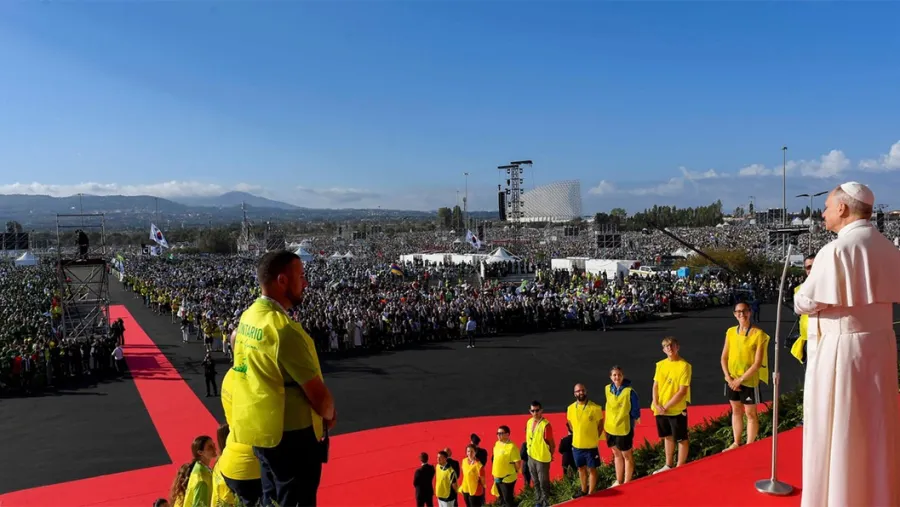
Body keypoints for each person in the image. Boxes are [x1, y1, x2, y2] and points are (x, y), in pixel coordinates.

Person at [795, 182, 900, 507]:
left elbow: (808, 300)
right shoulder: (887, 247)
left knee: (842, 428)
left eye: (826, 206)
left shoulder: (836, 250)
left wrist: (800, 297)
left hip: (844, 351)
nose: (823, 212)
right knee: (876, 426)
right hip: (880, 347)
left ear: (842, 208)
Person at [230, 250, 336, 507]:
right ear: (282, 281)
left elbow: (235, 346)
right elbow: (320, 399)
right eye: (300, 276)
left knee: (272, 499)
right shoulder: (284, 331)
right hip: (294, 440)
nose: (306, 282)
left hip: (264, 433)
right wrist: (330, 416)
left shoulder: (248, 317)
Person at [720, 301, 770, 449]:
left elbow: (757, 363)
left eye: (744, 311)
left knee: (750, 413)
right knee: (735, 411)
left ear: (750, 312)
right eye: (738, 312)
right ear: (735, 314)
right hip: (731, 380)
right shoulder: (730, 332)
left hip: (748, 381)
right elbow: (724, 357)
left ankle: (750, 445)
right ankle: (736, 441)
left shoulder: (758, 334)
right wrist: (728, 377)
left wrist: (740, 379)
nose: (742, 314)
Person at [651, 336, 691, 474]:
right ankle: (668, 465)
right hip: (660, 409)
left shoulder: (684, 366)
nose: (670, 348)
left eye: (672, 345)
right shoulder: (660, 365)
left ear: (677, 347)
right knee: (667, 436)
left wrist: (666, 406)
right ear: (663, 350)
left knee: (681, 438)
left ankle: (680, 466)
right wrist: (656, 403)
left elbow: (682, 391)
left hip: (676, 409)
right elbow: (655, 385)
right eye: (667, 347)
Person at [604, 366, 640, 486]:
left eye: (619, 375)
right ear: (611, 377)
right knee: (616, 454)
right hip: (610, 428)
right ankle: (619, 481)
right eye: (614, 375)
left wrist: (632, 422)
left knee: (627, 455)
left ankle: (627, 481)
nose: (617, 377)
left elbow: (635, 410)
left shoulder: (630, 392)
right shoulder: (607, 389)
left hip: (624, 428)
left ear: (622, 376)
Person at [565, 383, 604, 498]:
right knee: (581, 469)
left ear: (586, 391)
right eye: (577, 391)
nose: (580, 393)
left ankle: (591, 493)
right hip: (577, 445)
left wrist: (592, 437)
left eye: (582, 390)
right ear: (574, 393)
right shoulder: (570, 408)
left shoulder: (595, 408)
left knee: (592, 469)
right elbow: (570, 425)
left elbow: (600, 426)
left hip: (591, 446)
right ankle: (583, 491)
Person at [169, 435, 217, 507]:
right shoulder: (201, 479)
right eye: (210, 447)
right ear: (200, 452)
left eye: (214, 445)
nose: (214, 448)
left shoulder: (200, 469)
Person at [524, 400, 554, 507]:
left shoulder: (546, 425)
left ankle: (545, 501)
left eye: (537, 410)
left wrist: (551, 454)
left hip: (542, 458)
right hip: (531, 456)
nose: (535, 413)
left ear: (541, 411)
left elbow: (551, 442)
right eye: (533, 411)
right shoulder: (528, 422)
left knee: (543, 482)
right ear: (530, 411)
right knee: (535, 481)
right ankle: (538, 501)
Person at [790, 254, 815, 364]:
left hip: (826, 339)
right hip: (807, 339)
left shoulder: (833, 286)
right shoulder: (798, 289)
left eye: (814, 266)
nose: (811, 270)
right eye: (808, 267)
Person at [491, 425, 521, 507]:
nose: (498, 435)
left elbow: (517, 463)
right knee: (501, 499)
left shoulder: (512, 447)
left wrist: (514, 471)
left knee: (508, 499)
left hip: (507, 478)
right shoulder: (497, 444)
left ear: (507, 434)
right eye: (497, 433)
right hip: (497, 476)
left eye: (501, 433)